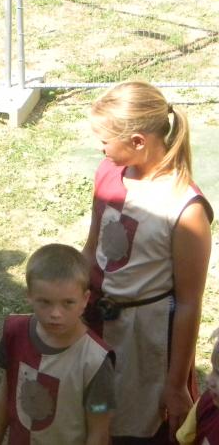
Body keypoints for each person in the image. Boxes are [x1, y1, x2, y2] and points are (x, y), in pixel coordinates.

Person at [84, 81, 212, 442]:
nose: (100, 148)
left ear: (138, 141)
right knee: (92, 417)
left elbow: (188, 303)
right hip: (95, 323)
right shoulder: (107, 172)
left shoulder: (185, 209)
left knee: (138, 426)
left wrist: (175, 384)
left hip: (146, 341)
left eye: (105, 141)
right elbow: (91, 249)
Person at [0, 243, 115, 444]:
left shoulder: (95, 361)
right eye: (45, 302)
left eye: (68, 303)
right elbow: (6, 393)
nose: (55, 314)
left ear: (85, 300)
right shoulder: (15, 332)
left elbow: (98, 430)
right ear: (29, 296)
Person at [176, 332, 219, 444]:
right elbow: (184, 439)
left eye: (218, 373)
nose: (208, 379)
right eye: (213, 369)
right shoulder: (206, 403)